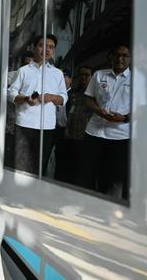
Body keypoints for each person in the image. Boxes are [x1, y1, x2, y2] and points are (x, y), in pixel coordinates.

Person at [7, 34, 68, 175]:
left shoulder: (58, 74)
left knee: (40, 166)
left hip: (47, 126)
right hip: (24, 124)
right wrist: (25, 98)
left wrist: (52, 97)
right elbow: (11, 93)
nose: (46, 50)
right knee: (21, 164)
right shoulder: (23, 71)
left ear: (53, 51)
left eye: (51, 47)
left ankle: (35, 194)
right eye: (42, 46)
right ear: (34, 48)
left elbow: (64, 98)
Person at [78, 44, 131, 199]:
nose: (120, 58)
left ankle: (109, 213)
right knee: (87, 171)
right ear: (111, 57)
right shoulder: (99, 75)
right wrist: (98, 110)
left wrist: (124, 118)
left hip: (119, 135)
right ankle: (85, 205)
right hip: (94, 131)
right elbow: (88, 98)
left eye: (125, 56)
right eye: (117, 55)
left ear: (130, 59)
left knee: (114, 178)